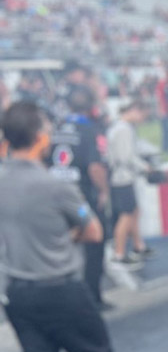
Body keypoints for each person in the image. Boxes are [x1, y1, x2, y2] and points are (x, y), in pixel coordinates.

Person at [0, 101, 133, 352]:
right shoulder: (55, 186)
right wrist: (63, 236)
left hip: (16, 292)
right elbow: (92, 231)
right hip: (57, 286)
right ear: (41, 138)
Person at [50, 84, 110, 306]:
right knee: (94, 245)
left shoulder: (57, 128)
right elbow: (95, 167)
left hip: (56, 196)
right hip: (82, 198)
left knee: (63, 246)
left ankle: (64, 296)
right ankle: (92, 297)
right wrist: (104, 191)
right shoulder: (91, 130)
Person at [107, 99, 153, 266]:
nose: (142, 119)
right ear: (134, 110)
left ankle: (138, 245)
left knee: (133, 211)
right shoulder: (123, 129)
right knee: (126, 215)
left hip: (122, 177)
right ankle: (119, 253)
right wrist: (145, 167)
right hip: (122, 178)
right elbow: (126, 157)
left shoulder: (120, 127)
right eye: (142, 114)